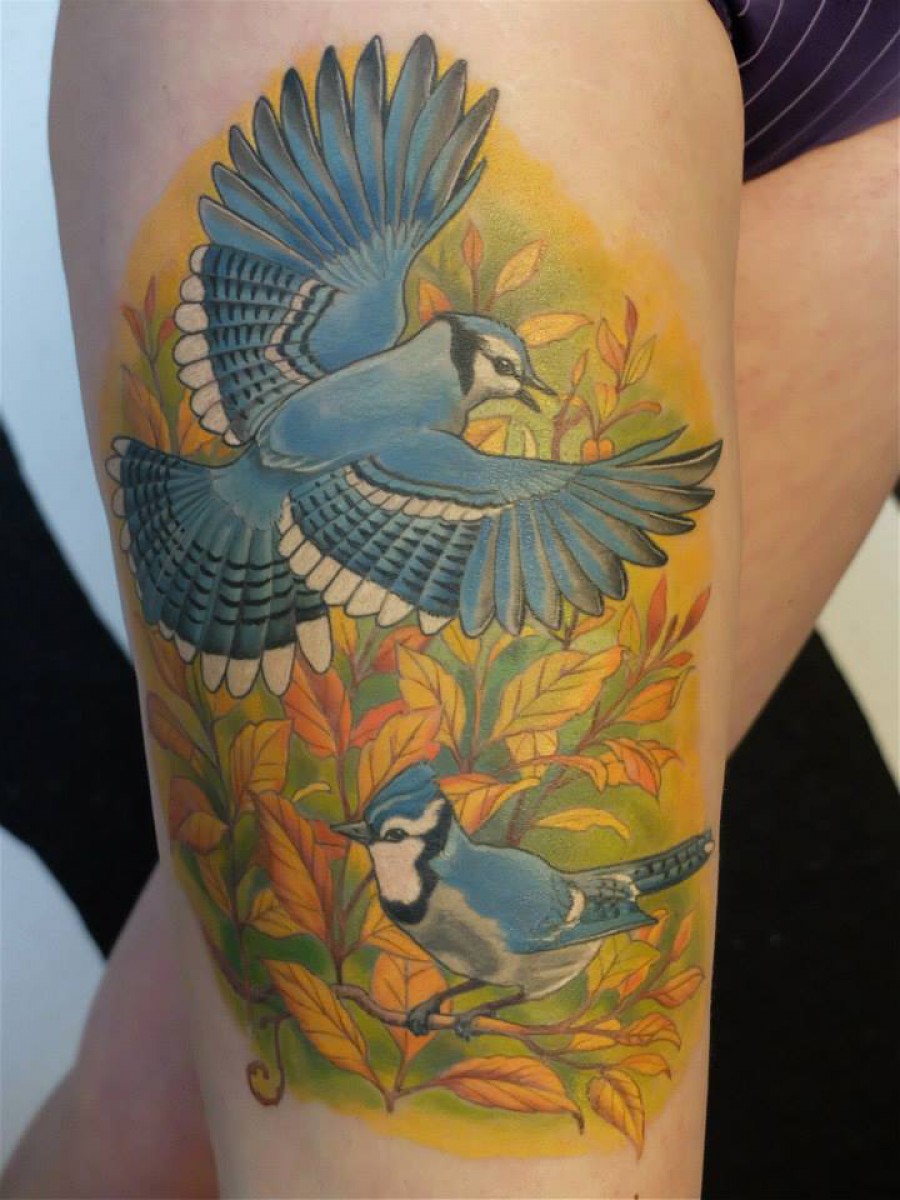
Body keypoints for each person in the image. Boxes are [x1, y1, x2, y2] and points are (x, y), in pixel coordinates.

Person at [3, 2, 897, 1196]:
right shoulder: (417, 385)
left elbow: (548, 533)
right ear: (464, 349)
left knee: (171, 1083)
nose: (509, 384)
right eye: (501, 367)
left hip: (874, 92)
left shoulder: (443, 429)